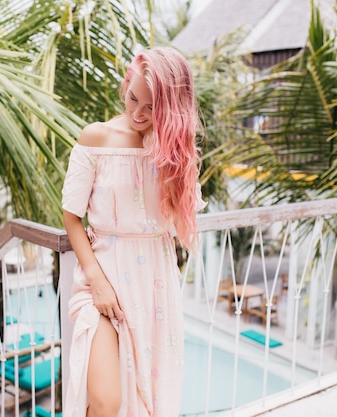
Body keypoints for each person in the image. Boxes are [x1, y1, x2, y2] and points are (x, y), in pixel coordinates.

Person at [61, 46, 206, 417]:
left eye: (151, 107)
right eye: (132, 99)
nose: (138, 113)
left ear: (172, 107)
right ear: (126, 85)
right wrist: (96, 280)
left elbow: (181, 214)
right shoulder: (96, 138)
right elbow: (71, 216)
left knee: (152, 397)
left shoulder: (173, 150)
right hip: (102, 281)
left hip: (155, 284)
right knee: (106, 401)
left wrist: (174, 153)